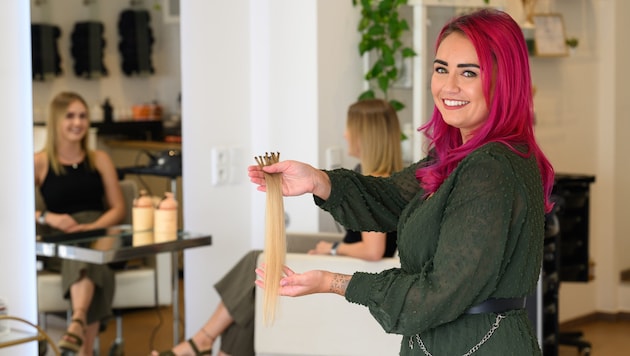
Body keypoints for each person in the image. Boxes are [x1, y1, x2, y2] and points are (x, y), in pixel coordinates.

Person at [249, 9, 555, 356]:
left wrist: (332, 282)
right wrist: (317, 181)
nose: (448, 86)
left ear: (505, 80)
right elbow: (391, 198)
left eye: (468, 72)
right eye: (441, 69)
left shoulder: (490, 168)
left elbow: (437, 294)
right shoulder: (457, 155)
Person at [152, 98, 403, 356]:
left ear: (365, 134)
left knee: (257, 265)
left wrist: (333, 249)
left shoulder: (379, 181)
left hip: (354, 268)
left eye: (350, 127)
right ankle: (206, 345)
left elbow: (373, 252)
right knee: (254, 289)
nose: (344, 133)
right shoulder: (382, 179)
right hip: (346, 261)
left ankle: (201, 341)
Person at [35, 91, 125, 355]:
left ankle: (76, 322)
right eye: (70, 116)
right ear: (56, 121)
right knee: (90, 261)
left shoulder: (100, 159)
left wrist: (92, 227)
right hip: (62, 238)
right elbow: (17, 209)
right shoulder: (39, 163)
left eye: (83, 116)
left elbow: (118, 208)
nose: (78, 122)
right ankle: (84, 346)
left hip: (101, 231)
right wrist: (47, 217)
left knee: (90, 252)